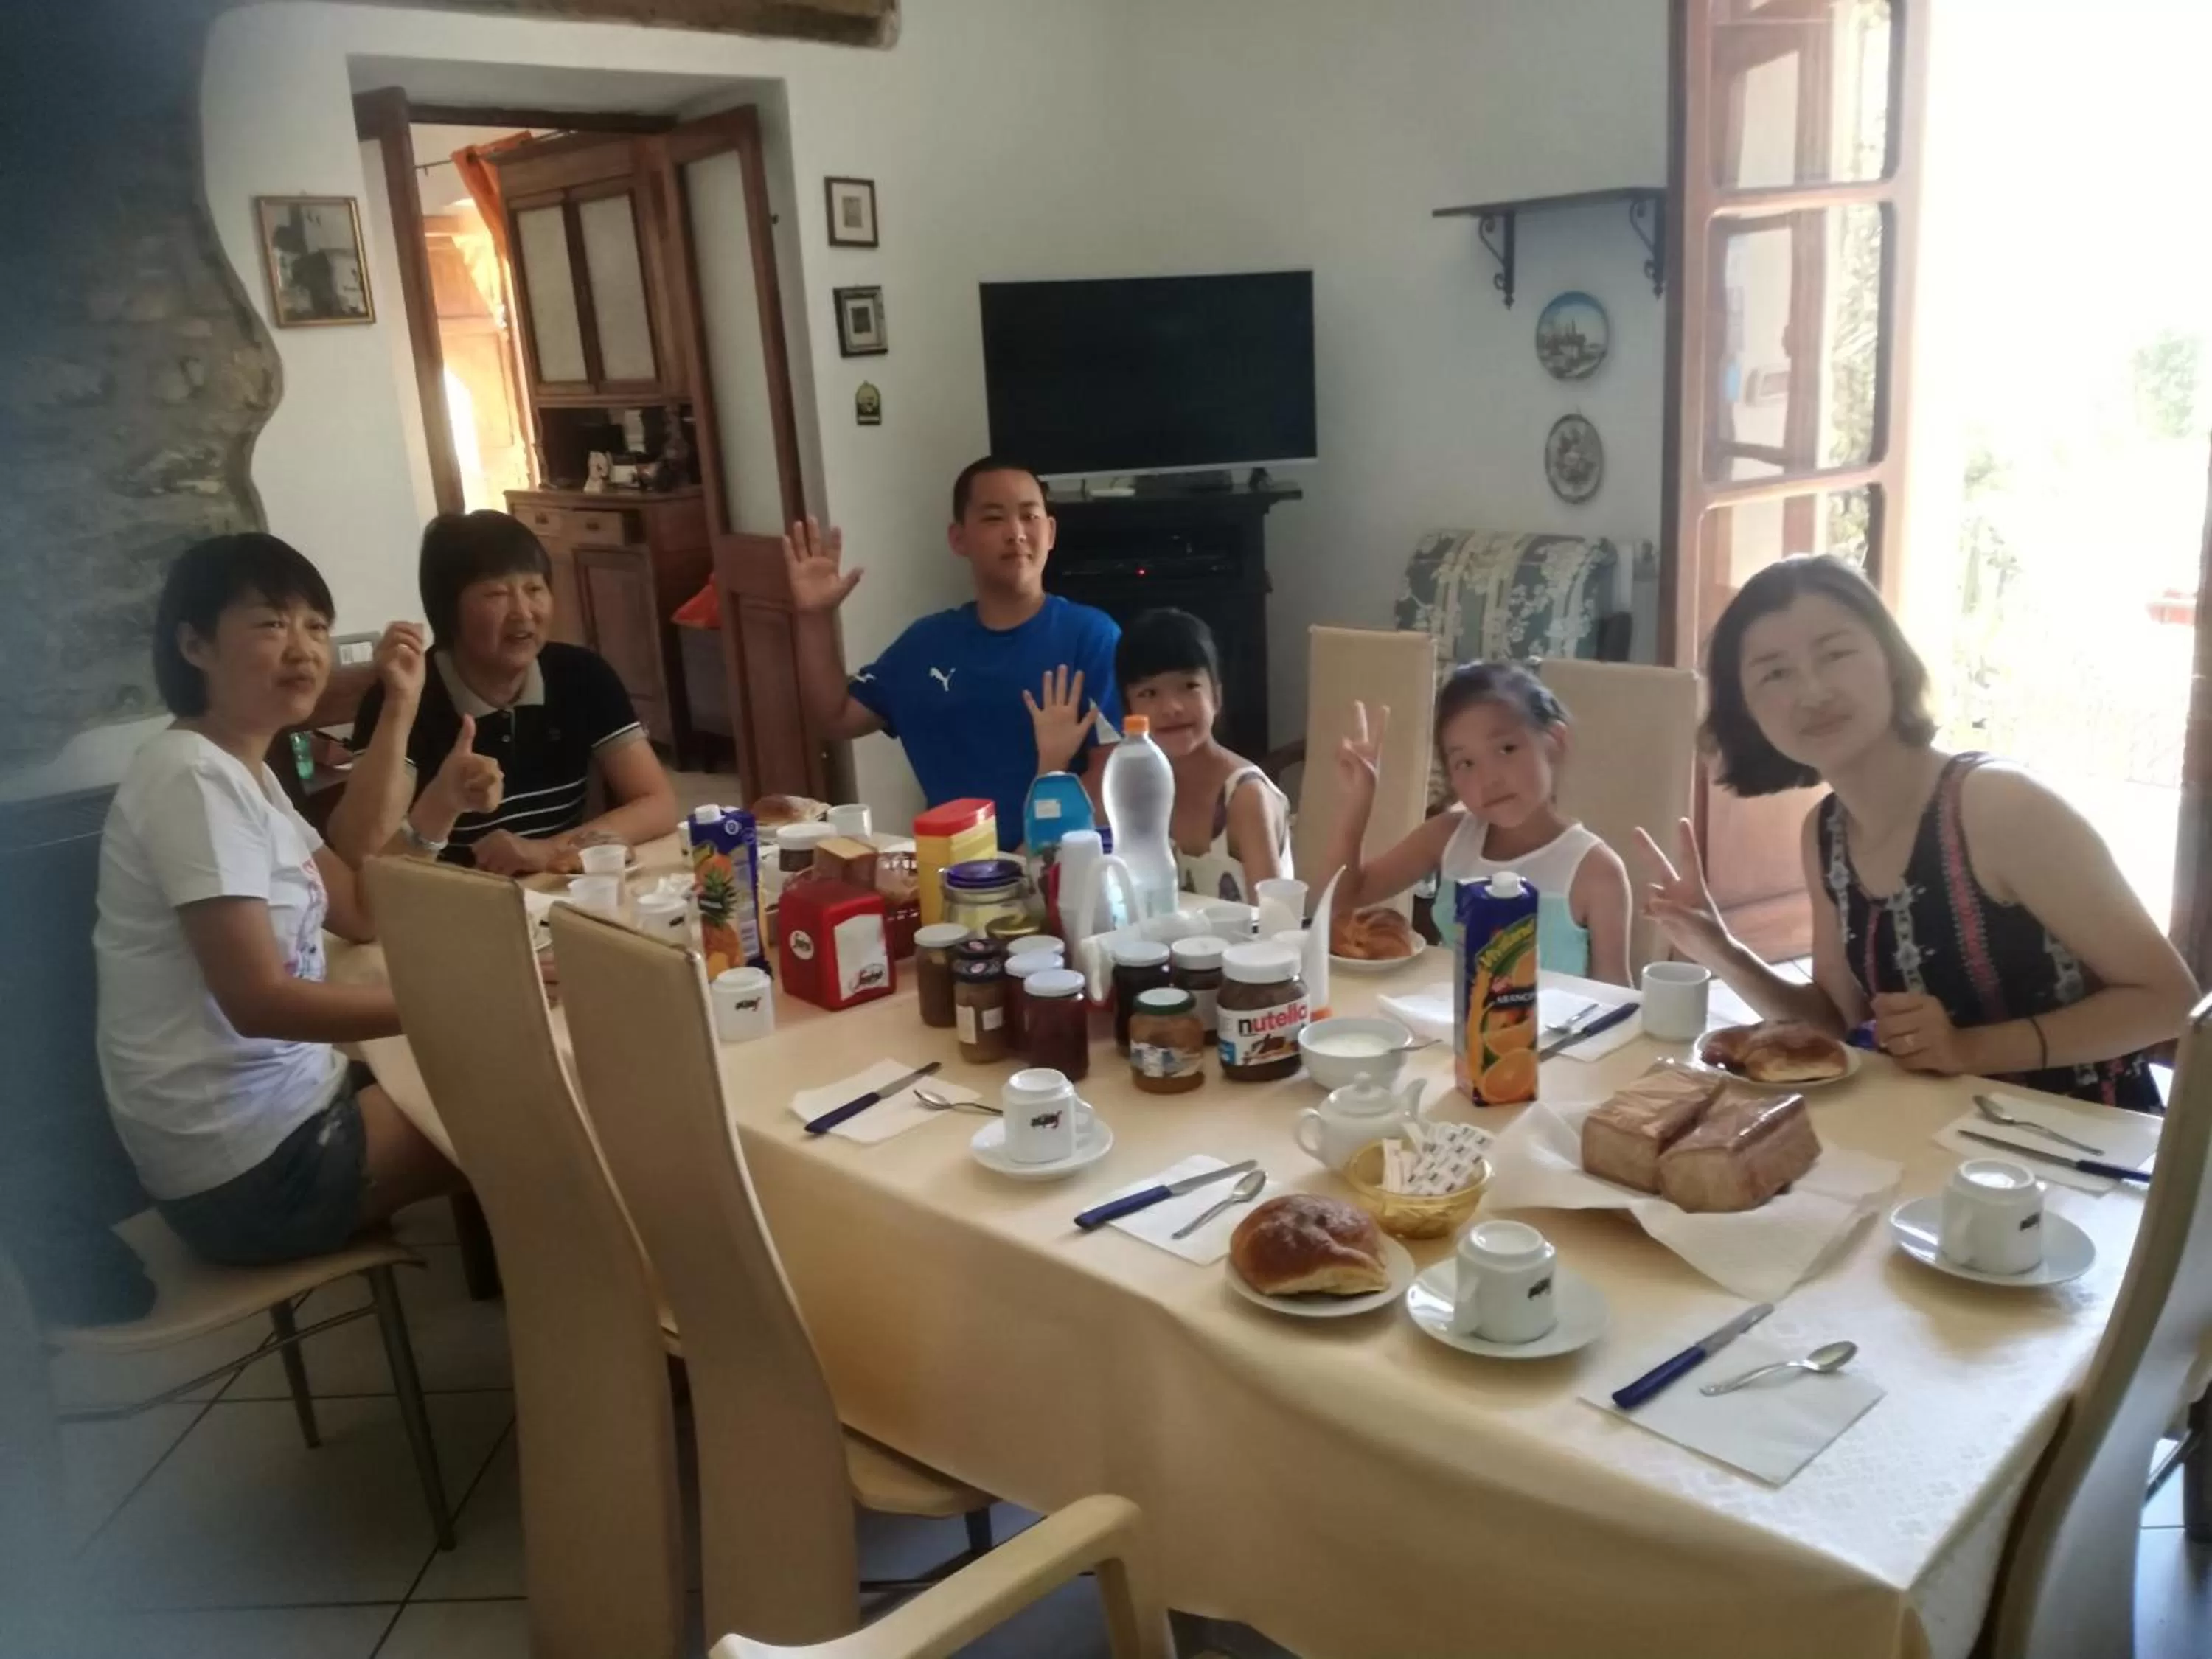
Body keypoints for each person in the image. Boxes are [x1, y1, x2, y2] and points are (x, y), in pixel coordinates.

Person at [1635, 554, 2195, 1107]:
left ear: (1892, 662)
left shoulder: (1997, 806)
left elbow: (2168, 1001)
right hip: (1933, 1132)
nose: (1812, 691)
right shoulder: (1825, 833)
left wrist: (1968, 1050)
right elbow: (1837, 1022)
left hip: (2077, 1154)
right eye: (1775, 673)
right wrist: (1721, 947)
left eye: (1835, 653)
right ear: (1748, 711)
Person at [95, 535, 497, 1265]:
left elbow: (361, 912)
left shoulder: (245, 772)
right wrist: (461, 998)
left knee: (503, 1072)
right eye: (271, 624)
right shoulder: (191, 780)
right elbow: (261, 1001)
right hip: (251, 1174)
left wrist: (439, 802)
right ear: (194, 644)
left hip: (287, 1112)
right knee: (534, 1111)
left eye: (316, 625)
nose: (304, 648)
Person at [785, 458, 1124, 846]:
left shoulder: (1092, 636)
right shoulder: (926, 644)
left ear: (1049, 532)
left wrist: (1033, 855)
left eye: (1029, 516)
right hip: (952, 873)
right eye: (994, 518)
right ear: (958, 538)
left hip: (1058, 869)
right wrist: (814, 616)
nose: (1015, 533)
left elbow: (1112, 773)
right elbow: (836, 716)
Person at [335, 511, 680, 874]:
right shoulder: (402, 697)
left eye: (534, 590)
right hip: (447, 907)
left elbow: (657, 804)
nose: (523, 612)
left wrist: (547, 851)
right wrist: (399, 707)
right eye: (496, 593)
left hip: (554, 893)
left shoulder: (581, 675)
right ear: (447, 610)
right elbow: (363, 852)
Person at [1317, 662, 1633, 985]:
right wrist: (1359, 800)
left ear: (1554, 742)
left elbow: (1619, 1004)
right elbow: (1342, 900)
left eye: (1506, 749)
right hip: (1442, 1028)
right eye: (1465, 763)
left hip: (1554, 1036)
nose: (1488, 779)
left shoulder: (1597, 872)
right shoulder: (1447, 836)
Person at [1110, 608, 1288, 901]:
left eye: (1189, 686)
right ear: (1128, 711)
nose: (1172, 708)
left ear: (1216, 696)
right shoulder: (1136, 789)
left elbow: (1275, 921)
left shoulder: (1245, 797)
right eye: (1149, 693)